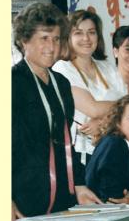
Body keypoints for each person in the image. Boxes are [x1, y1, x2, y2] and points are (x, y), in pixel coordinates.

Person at [12, 2, 102, 221]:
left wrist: (79, 184)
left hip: (62, 194)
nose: (51, 46)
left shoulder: (61, 83)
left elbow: (65, 138)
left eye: (56, 39)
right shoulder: (12, 83)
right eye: (44, 38)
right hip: (24, 196)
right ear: (24, 40)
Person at [52, 10, 122, 169]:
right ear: (67, 37)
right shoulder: (62, 69)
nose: (86, 38)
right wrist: (120, 105)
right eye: (78, 33)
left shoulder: (107, 68)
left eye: (91, 32)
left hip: (115, 147)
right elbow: (93, 109)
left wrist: (103, 122)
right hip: (81, 154)